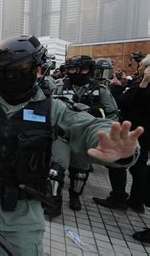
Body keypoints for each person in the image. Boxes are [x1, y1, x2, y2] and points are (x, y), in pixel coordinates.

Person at [0, 35, 143, 255]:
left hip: (21, 216)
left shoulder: (53, 108)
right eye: (5, 72)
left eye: (21, 69)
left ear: (37, 69)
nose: (12, 77)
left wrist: (118, 149)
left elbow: (86, 126)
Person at [54, 55, 120, 211]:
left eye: (72, 69)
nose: (69, 72)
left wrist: (105, 130)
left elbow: (112, 114)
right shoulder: (60, 87)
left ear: (85, 70)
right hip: (62, 135)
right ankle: (53, 199)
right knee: (55, 170)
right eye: (68, 69)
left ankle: (75, 196)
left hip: (84, 137)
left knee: (80, 173)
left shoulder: (100, 90)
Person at [93, 55, 150, 217]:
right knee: (139, 167)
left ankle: (119, 198)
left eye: (142, 66)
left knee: (118, 163)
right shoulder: (137, 83)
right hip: (138, 131)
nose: (138, 67)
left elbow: (128, 102)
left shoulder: (143, 85)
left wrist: (143, 83)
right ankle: (135, 201)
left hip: (135, 131)